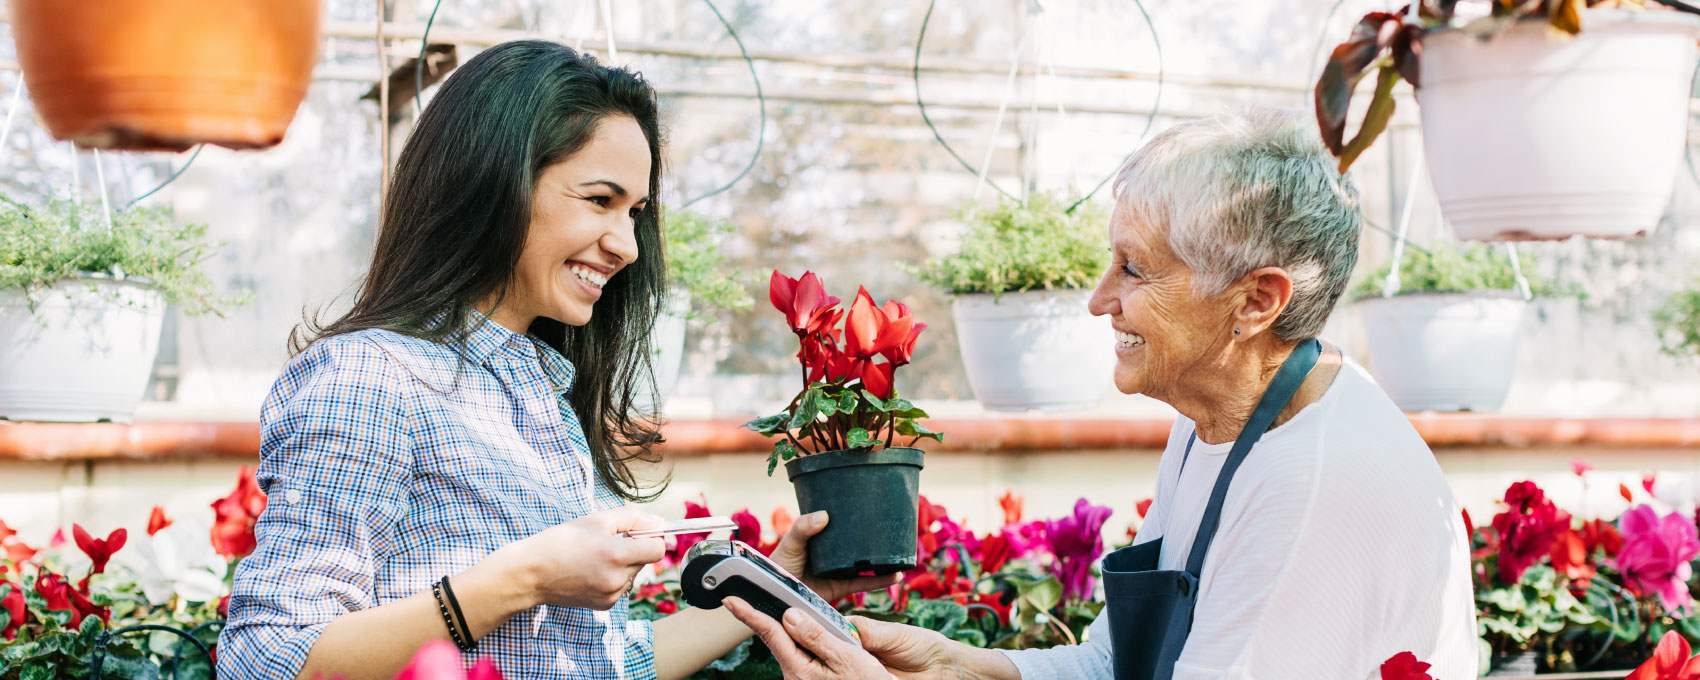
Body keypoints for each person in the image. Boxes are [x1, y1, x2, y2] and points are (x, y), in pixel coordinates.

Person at [724, 109, 1479, 679]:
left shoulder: (1312, 482)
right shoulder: (1218, 419)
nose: (1097, 299)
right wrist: (962, 667)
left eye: (1135, 269)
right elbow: (1113, 664)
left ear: (1255, 303)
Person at [216, 41, 888, 680]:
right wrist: (525, 577)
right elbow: (267, 660)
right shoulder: (372, 377)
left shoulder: (542, 396)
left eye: (636, 212)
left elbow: (606, 663)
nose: (625, 244)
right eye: (599, 200)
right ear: (492, 180)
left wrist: (778, 584)